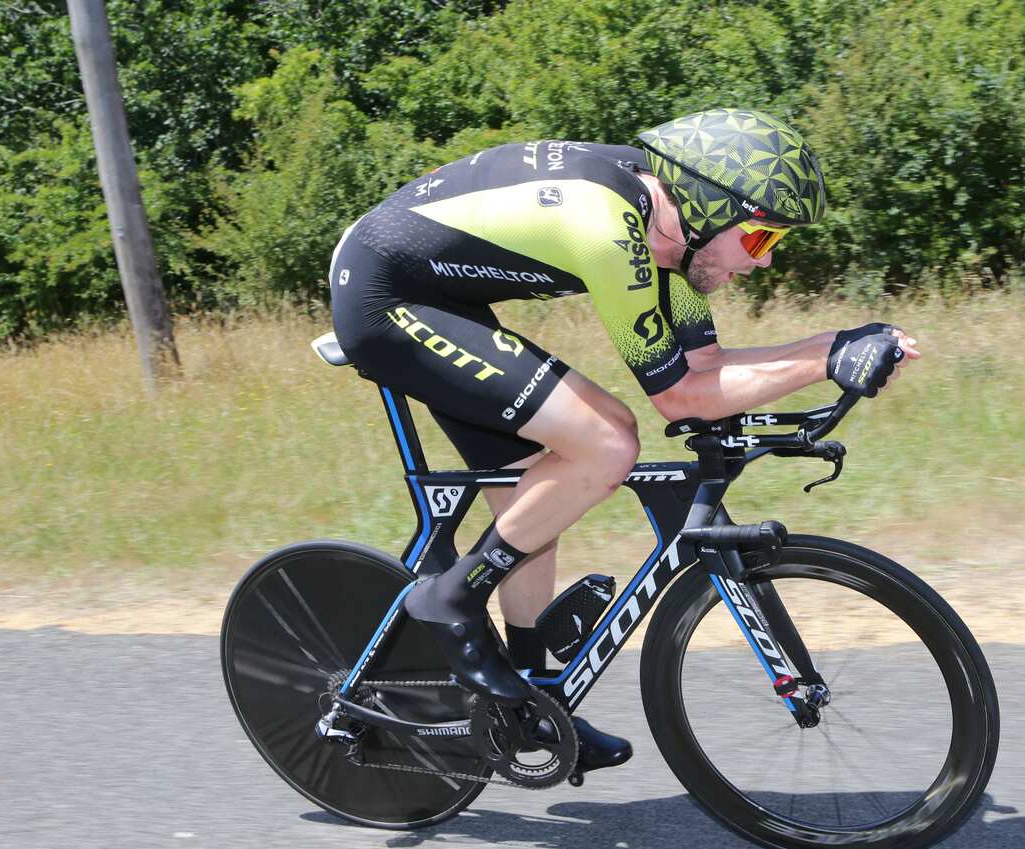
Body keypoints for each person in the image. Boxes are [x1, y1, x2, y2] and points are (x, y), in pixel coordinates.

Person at [328, 107, 919, 773]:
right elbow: (679, 400)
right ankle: (452, 596)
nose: (766, 260)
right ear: (708, 207)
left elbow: (705, 372)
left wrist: (829, 352)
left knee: (532, 496)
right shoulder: (610, 228)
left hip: (437, 293)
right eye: (758, 239)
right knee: (609, 439)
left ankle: (526, 701)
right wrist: (826, 352)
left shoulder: (672, 243)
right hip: (383, 296)